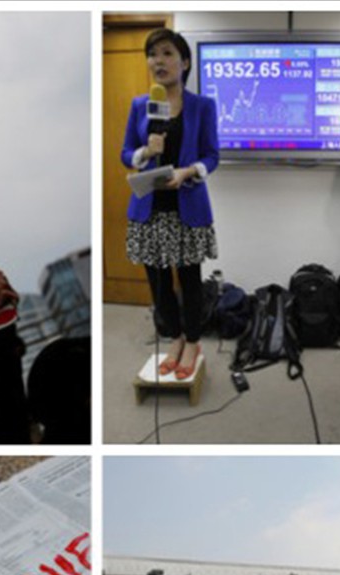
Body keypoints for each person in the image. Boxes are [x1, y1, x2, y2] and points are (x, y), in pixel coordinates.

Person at [120, 28, 219, 381]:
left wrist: (189, 170)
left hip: (187, 205)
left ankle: (193, 342)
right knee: (159, 282)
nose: (157, 61)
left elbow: (212, 156)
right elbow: (126, 154)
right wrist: (147, 151)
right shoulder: (140, 105)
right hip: (149, 209)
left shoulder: (202, 106)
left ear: (185, 62)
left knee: (189, 279)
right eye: (152, 54)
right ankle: (175, 339)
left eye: (165, 53)